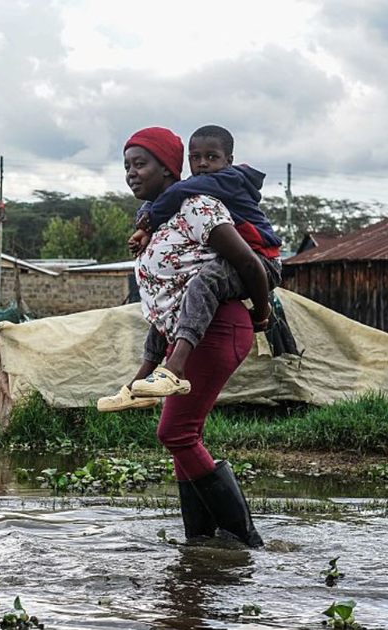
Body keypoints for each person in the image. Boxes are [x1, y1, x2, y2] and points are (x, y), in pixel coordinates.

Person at [117, 126, 267, 547]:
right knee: (183, 436)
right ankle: (201, 542)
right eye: (127, 166)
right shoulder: (158, 218)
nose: (131, 173)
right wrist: (146, 366)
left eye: (140, 164)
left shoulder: (198, 205)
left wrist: (263, 312)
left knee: (175, 433)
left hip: (218, 328)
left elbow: (249, 264)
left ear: (169, 167)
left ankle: (243, 540)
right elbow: (170, 295)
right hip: (189, 334)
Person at [97, 125, 280, 411]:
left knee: (203, 282)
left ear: (228, 160)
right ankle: (138, 385)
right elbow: (167, 199)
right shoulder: (186, 196)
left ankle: (175, 369)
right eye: (196, 158)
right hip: (229, 280)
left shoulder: (217, 187)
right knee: (166, 307)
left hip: (262, 260)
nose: (203, 164)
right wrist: (147, 222)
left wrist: (262, 310)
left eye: (212, 157)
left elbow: (247, 261)